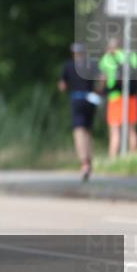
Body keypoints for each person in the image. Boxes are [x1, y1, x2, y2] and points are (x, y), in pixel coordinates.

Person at [58, 43, 101, 181]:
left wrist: (63, 87)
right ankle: (89, 159)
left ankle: (84, 163)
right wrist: (98, 90)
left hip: (77, 99)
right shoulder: (91, 65)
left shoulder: (69, 65)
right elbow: (103, 77)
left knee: (78, 131)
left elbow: (63, 86)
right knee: (88, 131)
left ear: (74, 53)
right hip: (90, 99)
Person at [99, 37, 137, 158]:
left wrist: (100, 91)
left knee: (115, 130)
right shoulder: (131, 55)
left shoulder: (107, 58)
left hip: (115, 96)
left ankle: (112, 159)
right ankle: (133, 159)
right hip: (131, 96)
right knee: (131, 129)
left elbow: (103, 78)